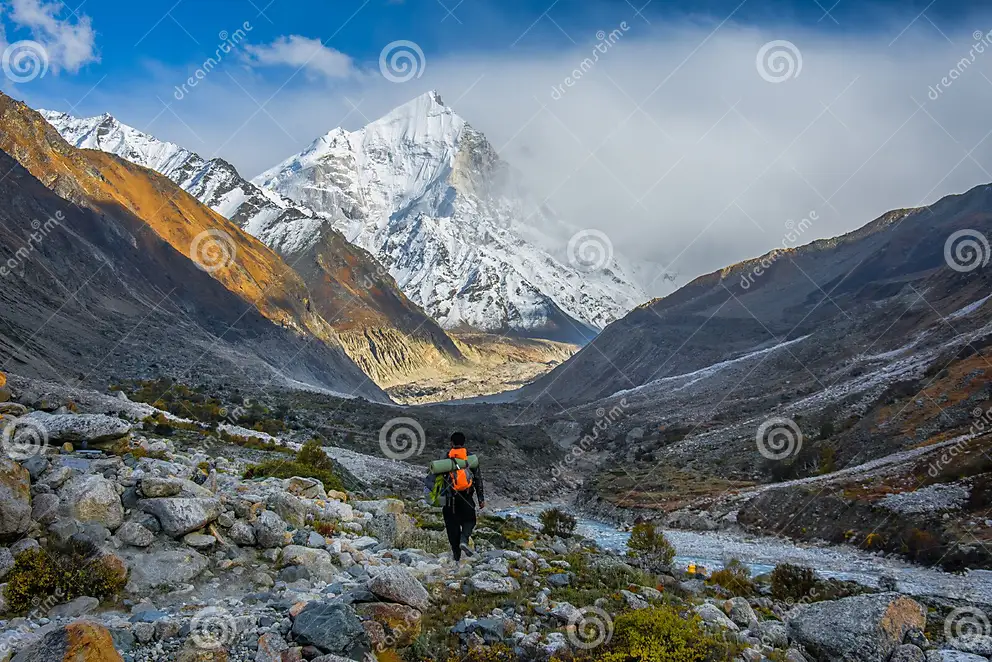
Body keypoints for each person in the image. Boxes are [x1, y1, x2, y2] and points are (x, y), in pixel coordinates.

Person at [441, 431, 485, 561]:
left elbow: (435, 478)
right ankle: (464, 540)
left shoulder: (444, 458)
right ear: (464, 443)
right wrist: (481, 499)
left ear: (451, 443)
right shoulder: (470, 458)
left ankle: (456, 557)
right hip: (466, 497)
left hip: (449, 499)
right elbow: (478, 479)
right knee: (470, 520)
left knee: (451, 526)